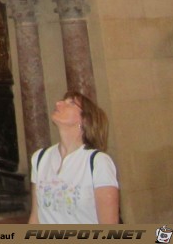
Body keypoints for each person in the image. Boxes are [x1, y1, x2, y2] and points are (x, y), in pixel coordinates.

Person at [28, 91, 119, 224]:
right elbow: (35, 217)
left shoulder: (98, 162)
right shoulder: (40, 158)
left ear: (84, 119)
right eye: (62, 100)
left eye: (70, 103)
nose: (58, 103)